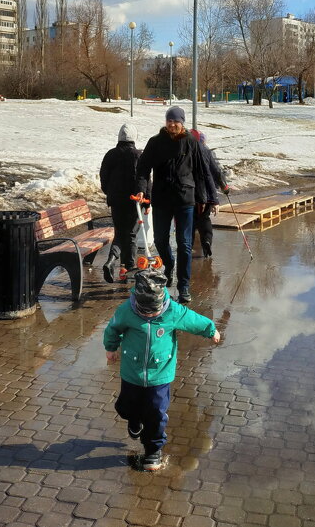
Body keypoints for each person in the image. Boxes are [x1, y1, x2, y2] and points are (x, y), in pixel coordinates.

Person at [104, 268, 220, 472]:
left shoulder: (172, 311)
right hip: (132, 372)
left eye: (154, 311)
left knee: (156, 413)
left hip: (160, 374)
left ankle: (152, 451)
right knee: (125, 406)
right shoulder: (126, 310)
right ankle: (133, 419)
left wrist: (211, 330)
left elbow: (193, 320)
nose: (150, 314)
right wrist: (111, 348)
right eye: (145, 311)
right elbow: (113, 328)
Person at [137, 106, 211, 303]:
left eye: (175, 121)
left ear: (182, 122)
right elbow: (143, 167)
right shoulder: (155, 142)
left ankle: (184, 285)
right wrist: (142, 188)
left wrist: (202, 197)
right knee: (160, 240)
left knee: (184, 244)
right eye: (169, 121)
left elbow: (201, 171)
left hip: (185, 198)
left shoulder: (191, 142)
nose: (172, 124)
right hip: (161, 199)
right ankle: (169, 266)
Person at [100, 123, 149, 283]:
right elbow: (145, 179)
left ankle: (113, 262)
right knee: (131, 234)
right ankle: (128, 266)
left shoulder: (110, 154)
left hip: (115, 202)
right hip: (133, 202)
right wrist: (148, 202)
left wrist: (110, 193)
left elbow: (104, 178)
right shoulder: (138, 155)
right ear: (134, 137)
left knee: (120, 233)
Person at [190, 130, 229, 260]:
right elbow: (216, 172)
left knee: (189, 221)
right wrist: (225, 187)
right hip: (205, 194)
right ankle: (206, 240)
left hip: (188, 193)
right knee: (204, 219)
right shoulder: (207, 152)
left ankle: (187, 247)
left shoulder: (185, 151)